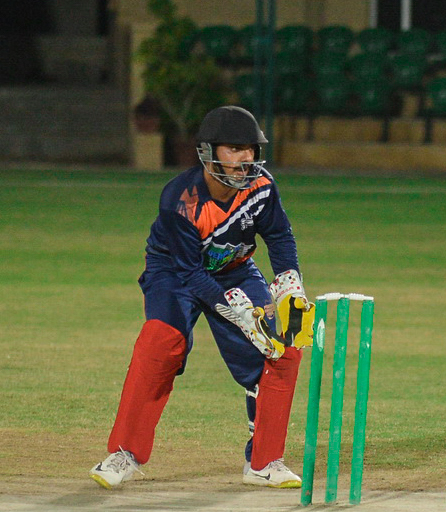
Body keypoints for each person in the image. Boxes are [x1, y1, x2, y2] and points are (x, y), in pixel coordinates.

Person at [90, 106, 313, 490]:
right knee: (161, 342)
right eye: (234, 149)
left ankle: (264, 462)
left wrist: (290, 283)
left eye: (250, 148)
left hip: (235, 269)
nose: (246, 157)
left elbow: (278, 236)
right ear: (208, 153)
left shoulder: (261, 186)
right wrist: (238, 314)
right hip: (175, 272)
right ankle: (124, 453)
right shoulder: (180, 199)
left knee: (280, 350)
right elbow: (192, 273)